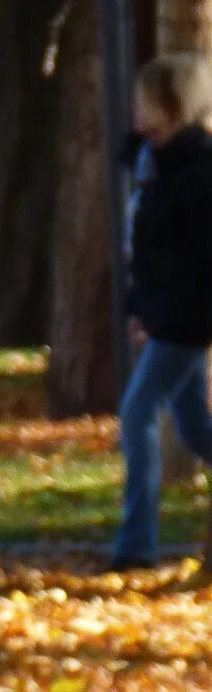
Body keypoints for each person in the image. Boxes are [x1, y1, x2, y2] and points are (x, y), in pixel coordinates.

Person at [113, 50, 212, 571]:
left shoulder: (197, 172)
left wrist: (167, 314)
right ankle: (137, 543)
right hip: (165, 311)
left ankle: (136, 545)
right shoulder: (154, 164)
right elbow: (148, 251)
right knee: (195, 429)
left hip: (186, 315)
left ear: (175, 110)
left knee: (137, 414)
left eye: (147, 104)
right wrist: (140, 310)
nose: (137, 113)